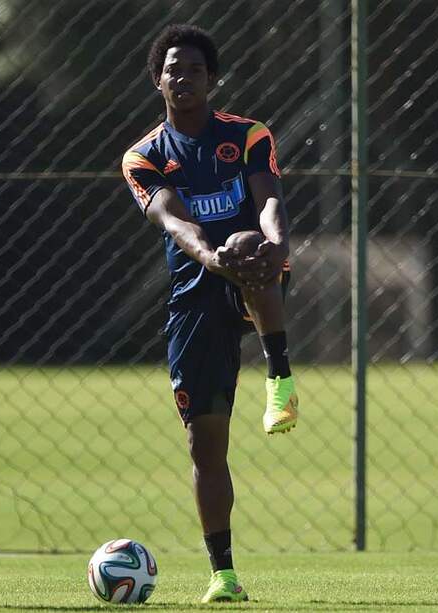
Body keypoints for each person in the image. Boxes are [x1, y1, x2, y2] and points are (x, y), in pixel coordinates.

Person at [121, 24, 299, 603]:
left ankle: (281, 377)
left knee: (251, 244)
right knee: (205, 445)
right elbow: (176, 224)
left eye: (194, 69)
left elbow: (269, 196)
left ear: (212, 79)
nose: (183, 77)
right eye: (173, 69)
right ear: (157, 80)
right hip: (196, 289)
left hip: (253, 272)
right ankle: (223, 574)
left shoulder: (247, 135)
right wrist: (212, 258)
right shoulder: (144, 157)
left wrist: (275, 242)